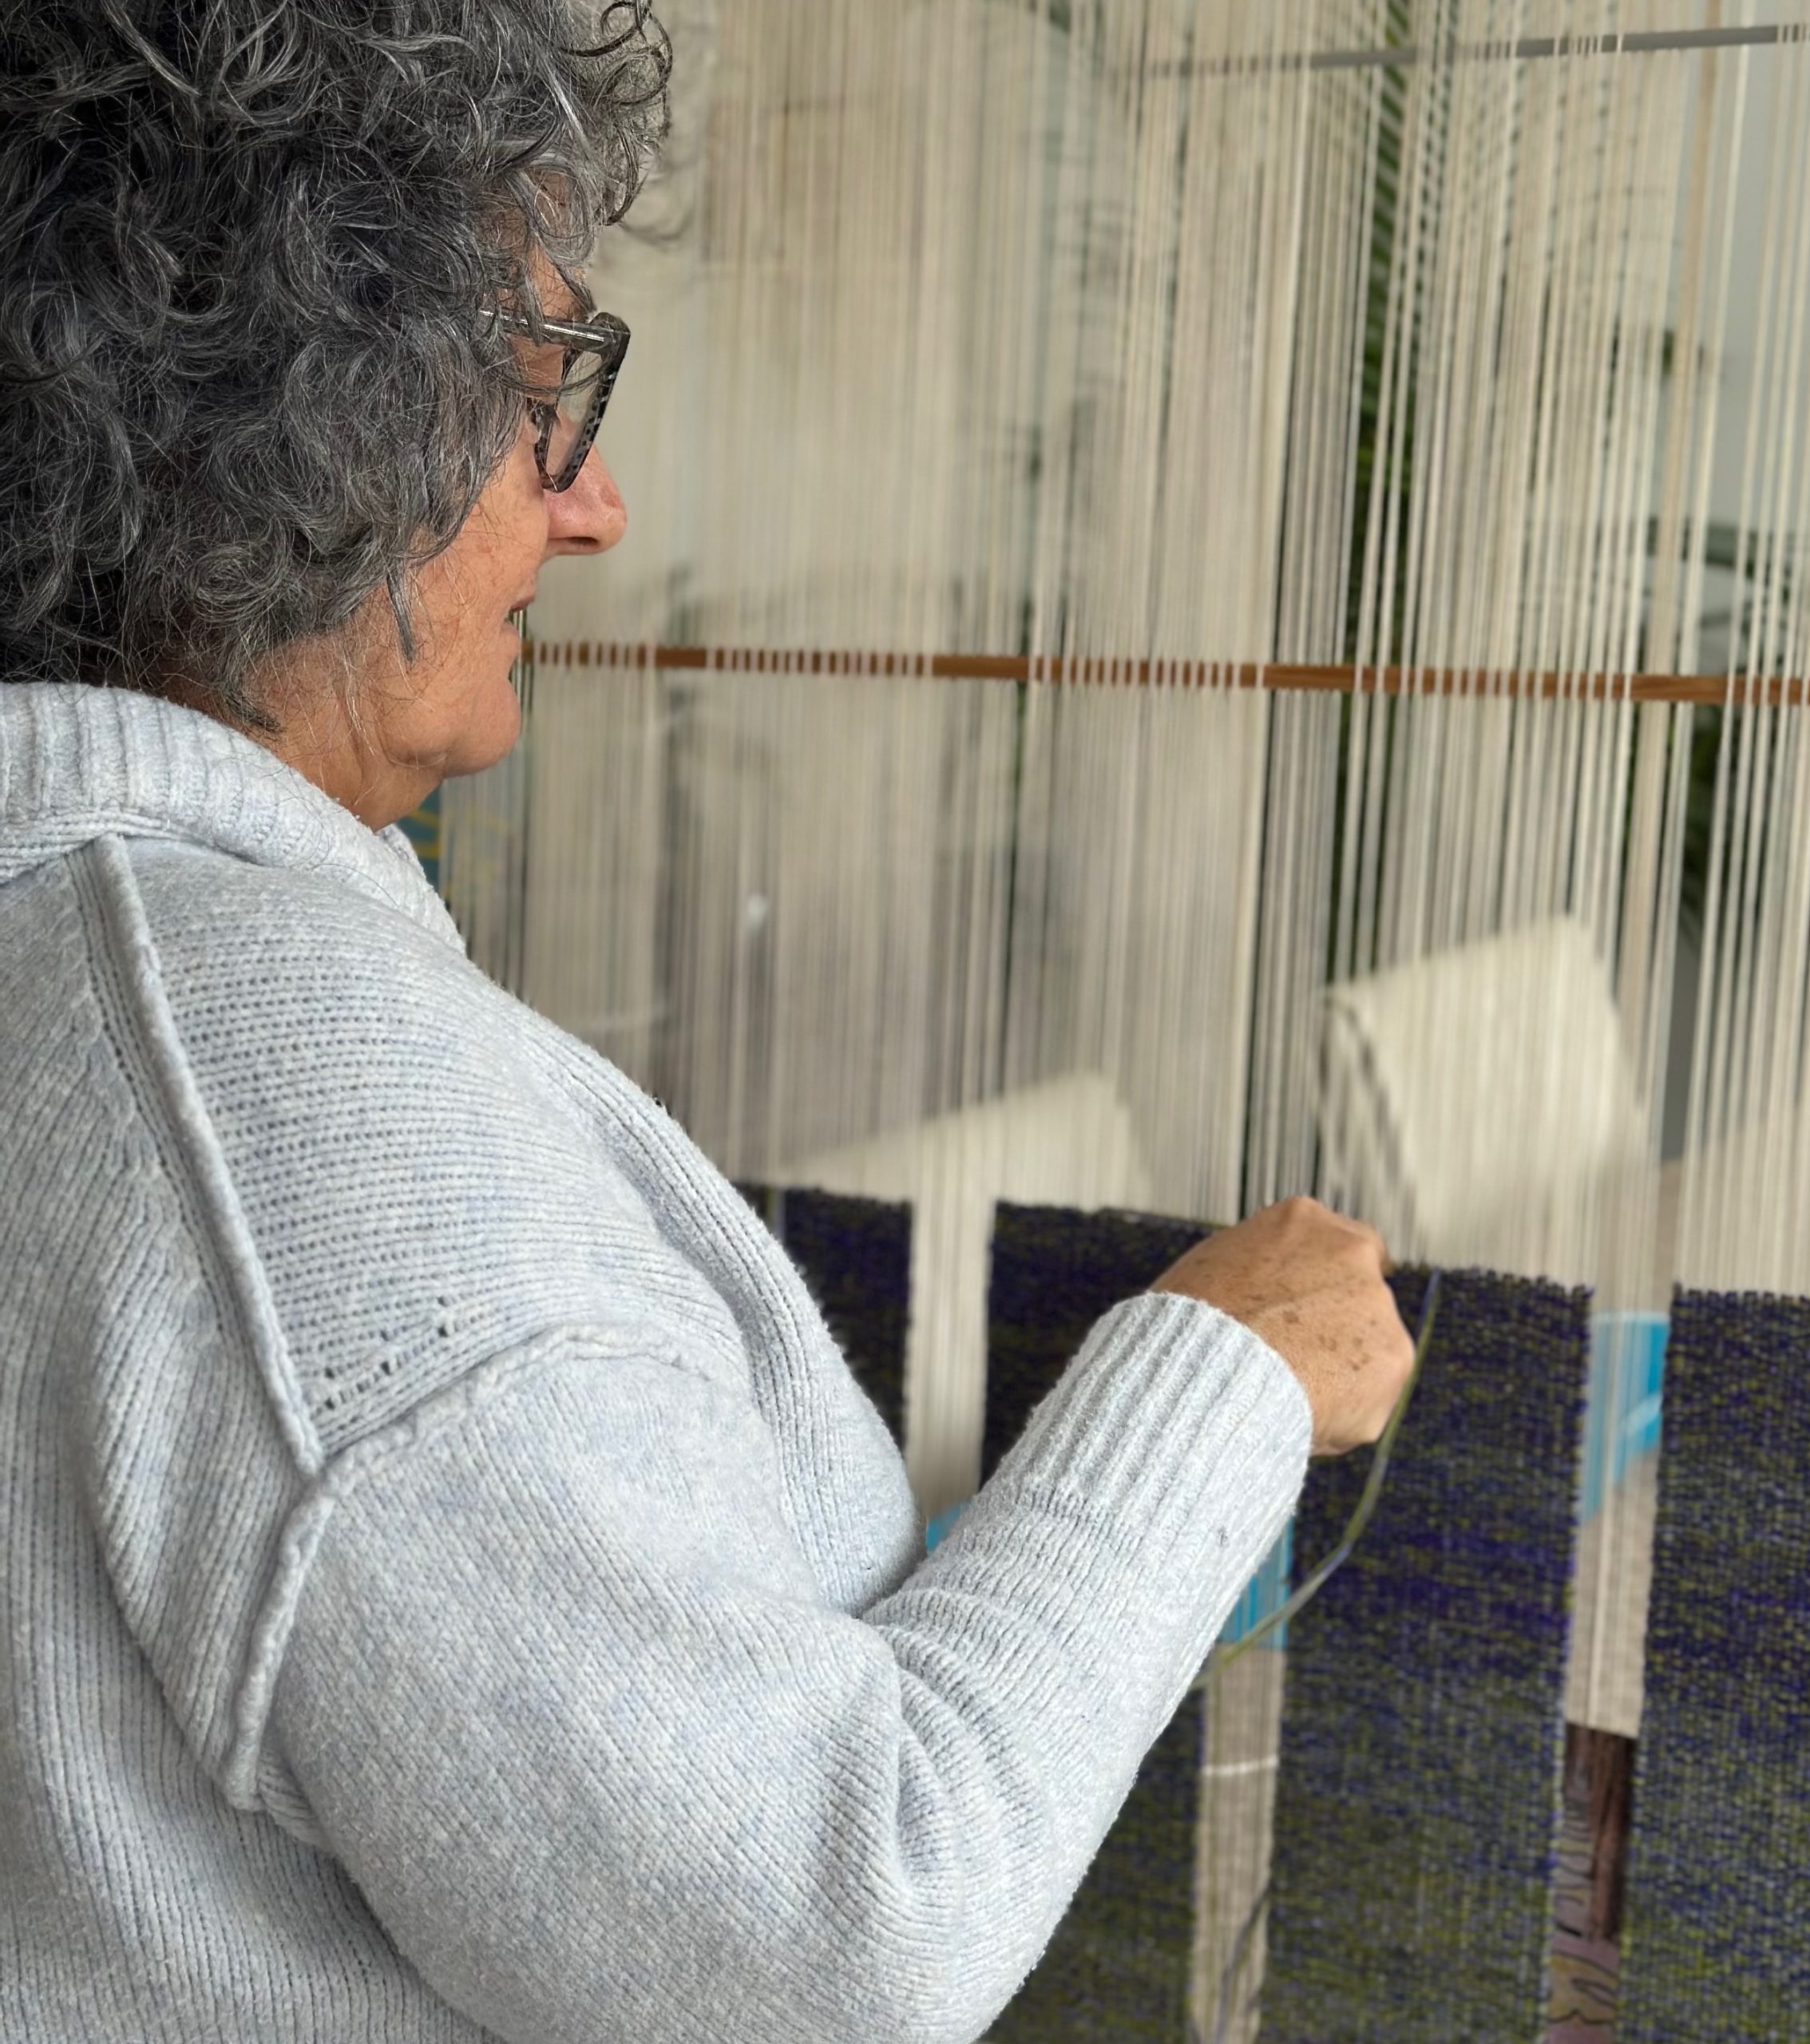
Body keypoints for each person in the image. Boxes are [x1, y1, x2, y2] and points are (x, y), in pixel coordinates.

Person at [0, 3, 1415, 2039]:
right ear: (307, 434)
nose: (594, 509)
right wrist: (1215, 1379)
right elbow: (830, 1933)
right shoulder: (279, 1116)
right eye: (539, 395)